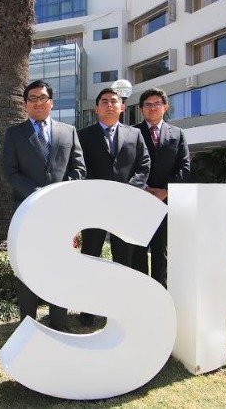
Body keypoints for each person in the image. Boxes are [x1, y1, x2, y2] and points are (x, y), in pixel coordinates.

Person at [3, 79, 86, 332]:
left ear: (51, 102)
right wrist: (38, 194)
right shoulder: (14, 134)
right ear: (25, 104)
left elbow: (79, 169)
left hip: (61, 212)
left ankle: (59, 323)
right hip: (27, 210)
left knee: (60, 266)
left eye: (42, 98)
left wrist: (57, 194)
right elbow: (11, 172)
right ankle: (28, 325)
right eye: (32, 99)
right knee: (28, 267)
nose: (38, 103)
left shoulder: (68, 131)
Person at [76, 87, 151, 326]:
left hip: (124, 208)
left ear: (122, 107)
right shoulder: (83, 135)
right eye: (104, 101)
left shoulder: (134, 134)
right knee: (90, 257)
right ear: (96, 108)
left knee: (123, 259)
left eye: (114, 101)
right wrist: (100, 191)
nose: (109, 105)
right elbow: (79, 167)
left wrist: (128, 190)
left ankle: (120, 308)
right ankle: (88, 310)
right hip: (94, 207)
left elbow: (144, 165)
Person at [133, 88, 190, 287]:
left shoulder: (178, 134)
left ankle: (160, 292)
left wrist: (165, 191)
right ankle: (141, 292)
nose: (152, 108)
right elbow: (127, 165)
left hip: (166, 202)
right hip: (138, 200)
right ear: (141, 109)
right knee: (137, 250)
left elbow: (184, 167)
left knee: (161, 251)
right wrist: (144, 188)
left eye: (157, 103)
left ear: (165, 107)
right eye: (148, 104)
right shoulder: (132, 132)